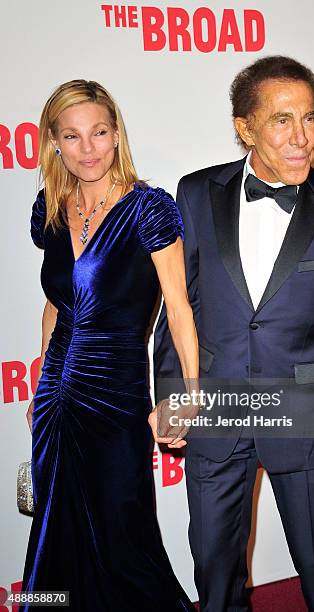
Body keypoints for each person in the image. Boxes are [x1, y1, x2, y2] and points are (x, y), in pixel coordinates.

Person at [154, 56, 314, 611]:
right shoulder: (194, 194)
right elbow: (176, 309)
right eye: (283, 120)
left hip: (306, 418)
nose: (303, 137)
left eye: (311, 118)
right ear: (246, 128)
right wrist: (169, 393)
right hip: (215, 411)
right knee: (214, 571)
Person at [22, 79, 197, 612]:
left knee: (125, 535)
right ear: (54, 142)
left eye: (99, 132)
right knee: (56, 529)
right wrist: (38, 388)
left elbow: (180, 308)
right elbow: (55, 307)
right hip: (56, 394)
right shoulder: (51, 209)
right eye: (72, 137)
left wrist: (189, 393)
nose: (88, 148)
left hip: (117, 393)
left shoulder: (148, 209)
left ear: (117, 134)